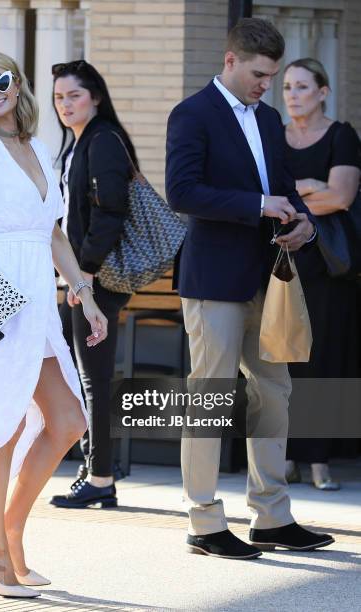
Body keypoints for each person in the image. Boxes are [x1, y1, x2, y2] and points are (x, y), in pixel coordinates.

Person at [166, 18, 334, 560]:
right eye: (260, 74)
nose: (267, 84)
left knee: (274, 393)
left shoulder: (266, 119)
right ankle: (203, 522)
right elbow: (182, 191)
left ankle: (272, 518)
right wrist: (257, 206)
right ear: (232, 60)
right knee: (209, 396)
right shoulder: (191, 114)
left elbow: (282, 187)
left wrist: (304, 221)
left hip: (268, 277)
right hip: (213, 280)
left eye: (274, 75)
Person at [0, 50, 108, 598]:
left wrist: (85, 296)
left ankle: (10, 529)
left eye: (1, 82)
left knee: (67, 421)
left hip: (37, 298)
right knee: (3, 422)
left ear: (19, 83)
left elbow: (54, 234)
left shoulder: (39, 146)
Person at [48, 60, 135, 508]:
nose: (65, 104)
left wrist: (83, 273)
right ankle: (94, 466)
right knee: (84, 376)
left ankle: (101, 475)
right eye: (59, 97)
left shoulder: (102, 141)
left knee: (93, 378)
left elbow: (111, 212)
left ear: (95, 97)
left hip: (94, 280)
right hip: (83, 277)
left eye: (74, 96)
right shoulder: (79, 143)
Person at [282, 58, 361, 490]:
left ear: (323, 92)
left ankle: (320, 460)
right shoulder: (274, 136)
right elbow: (266, 194)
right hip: (281, 261)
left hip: (328, 263)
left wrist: (301, 190)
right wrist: (312, 187)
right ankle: (288, 455)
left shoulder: (341, 135)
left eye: (302, 87)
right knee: (284, 359)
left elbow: (342, 197)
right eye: (288, 87)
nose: (293, 95)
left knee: (325, 358)